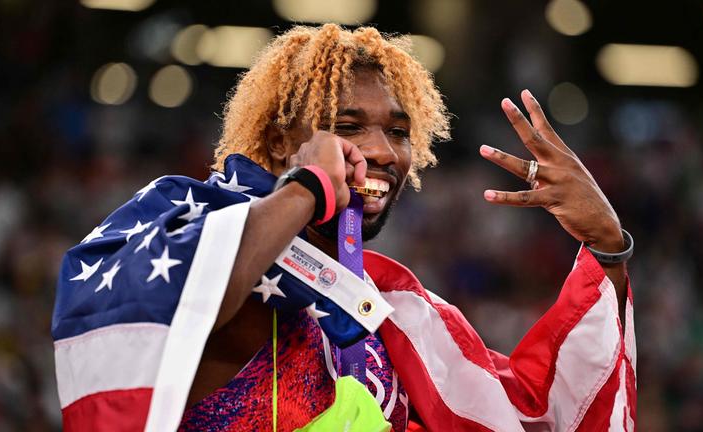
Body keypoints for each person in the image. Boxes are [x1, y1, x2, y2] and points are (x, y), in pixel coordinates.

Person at [52, 24, 636, 431]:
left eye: (399, 133)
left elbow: (532, 414)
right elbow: (173, 301)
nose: (381, 151)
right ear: (281, 141)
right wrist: (307, 189)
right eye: (347, 125)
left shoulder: (397, 311)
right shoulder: (195, 226)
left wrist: (606, 247)